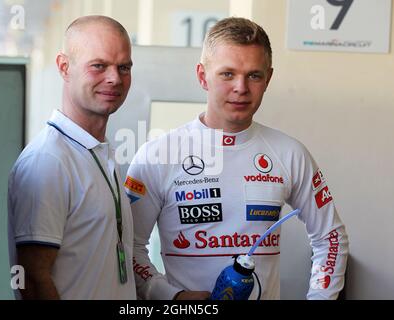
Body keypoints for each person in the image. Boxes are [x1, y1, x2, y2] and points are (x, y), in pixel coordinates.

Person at [125, 17, 348, 300]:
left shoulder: (289, 153)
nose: (241, 87)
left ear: (268, 78)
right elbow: (127, 247)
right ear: (202, 76)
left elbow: (331, 237)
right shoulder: (156, 155)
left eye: (253, 75)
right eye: (227, 74)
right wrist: (172, 297)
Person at [7, 15, 136, 299]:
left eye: (123, 67)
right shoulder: (48, 160)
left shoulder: (99, 154)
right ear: (64, 67)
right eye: (99, 66)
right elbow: (32, 279)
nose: (114, 78)